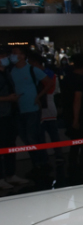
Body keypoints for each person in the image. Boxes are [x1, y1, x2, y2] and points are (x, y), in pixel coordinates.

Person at [9, 45, 50, 176]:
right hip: (19, 109)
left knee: (31, 136)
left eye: (15, 53)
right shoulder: (11, 71)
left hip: (32, 108)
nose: (12, 55)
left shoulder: (32, 69)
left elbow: (48, 82)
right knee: (26, 137)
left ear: (22, 56)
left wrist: (38, 97)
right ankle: (38, 163)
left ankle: (40, 163)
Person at [28, 52, 62, 165]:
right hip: (45, 106)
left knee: (48, 134)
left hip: (46, 106)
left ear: (34, 62)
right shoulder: (49, 73)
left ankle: (50, 158)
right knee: (49, 134)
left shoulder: (44, 74)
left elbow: (51, 90)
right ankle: (54, 156)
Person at [0, 45, 25, 189]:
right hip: (2, 114)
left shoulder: (7, 72)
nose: (5, 58)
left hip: (10, 113)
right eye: (2, 56)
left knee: (10, 144)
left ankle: (10, 174)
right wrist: (7, 98)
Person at [65, 53, 83, 178]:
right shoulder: (80, 80)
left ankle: (73, 165)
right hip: (81, 116)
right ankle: (82, 166)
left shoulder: (68, 77)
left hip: (71, 114)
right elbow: (78, 99)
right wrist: (76, 119)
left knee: (75, 142)